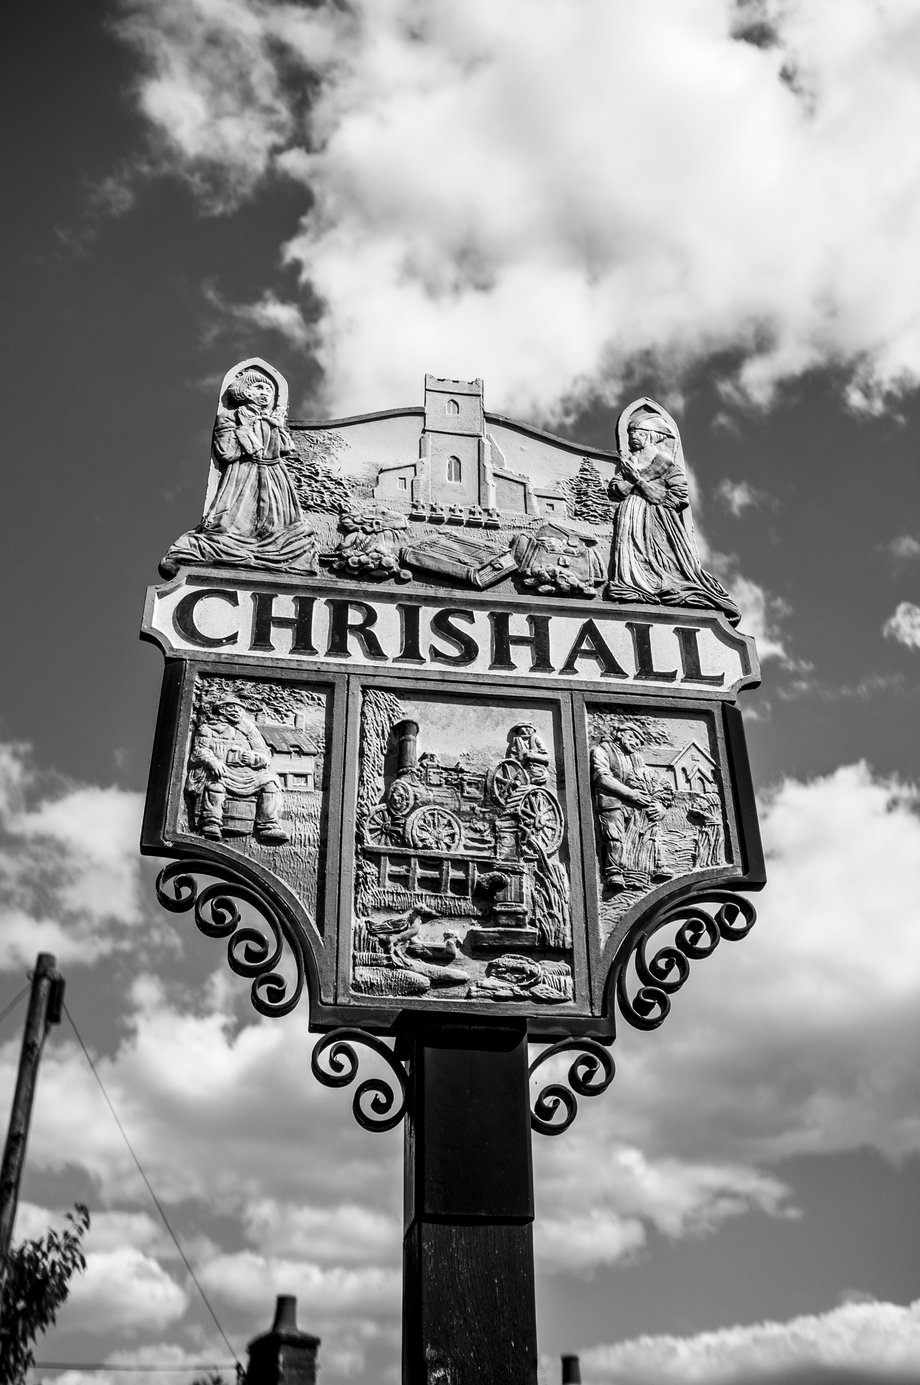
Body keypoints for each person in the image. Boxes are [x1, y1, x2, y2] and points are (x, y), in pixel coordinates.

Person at [160, 367, 319, 578]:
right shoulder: (230, 417)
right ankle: (221, 548)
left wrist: (276, 427)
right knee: (229, 523)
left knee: (278, 523)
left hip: (274, 476)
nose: (265, 393)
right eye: (258, 387)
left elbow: (284, 448)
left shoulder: (272, 420)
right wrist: (246, 431)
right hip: (243, 475)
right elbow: (226, 451)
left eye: (269, 390)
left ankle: (280, 554)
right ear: (244, 390)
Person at [605, 407, 739, 622]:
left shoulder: (666, 465)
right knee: (630, 550)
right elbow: (616, 488)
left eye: (637, 433)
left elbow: (677, 497)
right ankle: (632, 584)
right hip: (629, 514)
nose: (633, 438)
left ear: (649, 435)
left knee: (657, 555)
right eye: (630, 434)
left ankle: (658, 587)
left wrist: (638, 481)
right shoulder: (628, 463)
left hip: (657, 520)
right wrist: (629, 481)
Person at [186, 699, 289, 844]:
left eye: (239, 709)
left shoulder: (249, 730)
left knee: (270, 783)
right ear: (221, 709)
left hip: (247, 773)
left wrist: (252, 757)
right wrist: (213, 761)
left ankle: (268, 825)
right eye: (231, 707)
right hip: (221, 771)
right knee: (216, 784)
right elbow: (199, 750)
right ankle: (211, 823)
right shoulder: (207, 729)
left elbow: (264, 754)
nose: (236, 711)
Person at [590, 721, 670, 894]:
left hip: (635, 802)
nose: (635, 743)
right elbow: (602, 778)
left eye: (639, 742)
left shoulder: (636, 758)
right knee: (614, 836)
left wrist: (659, 804)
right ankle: (614, 873)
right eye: (632, 737)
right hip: (612, 801)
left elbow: (650, 779)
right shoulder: (602, 750)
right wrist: (630, 794)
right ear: (620, 734)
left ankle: (656, 865)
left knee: (651, 827)